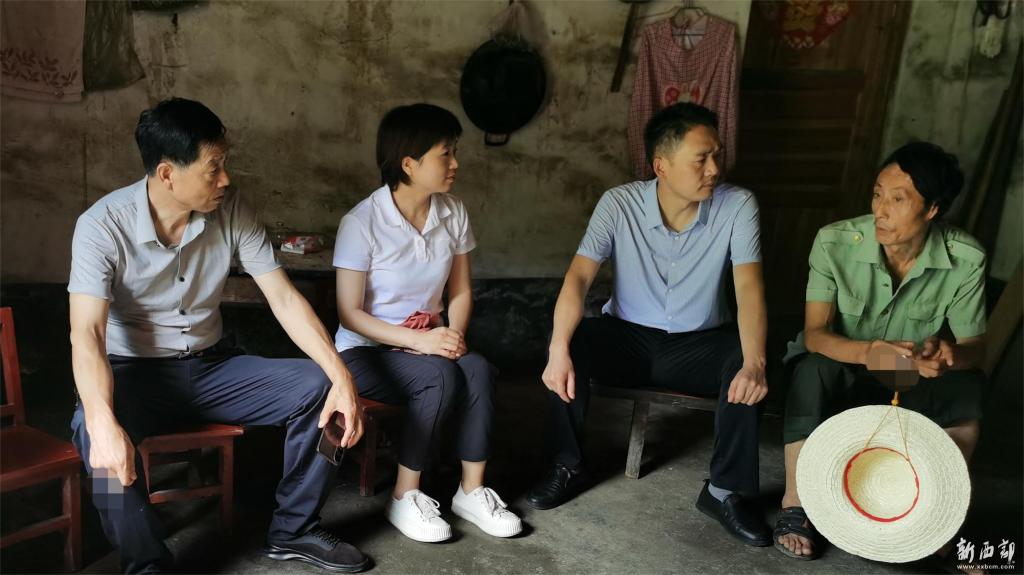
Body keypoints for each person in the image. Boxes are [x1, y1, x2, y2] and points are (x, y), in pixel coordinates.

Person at [68, 98, 368, 574]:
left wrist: (342, 376)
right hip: (134, 377)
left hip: (212, 368)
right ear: (168, 174)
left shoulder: (232, 209)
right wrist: (103, 422)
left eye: (225, 163)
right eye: (213, 168)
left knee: (319, 387)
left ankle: (294, 530)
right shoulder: (101, 226)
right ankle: (145, 564)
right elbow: (86, 333)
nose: (225, 179)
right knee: (93, 434)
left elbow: (284, 298)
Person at [526, 102, 772, 547]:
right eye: (701, 158)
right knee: (570, 343)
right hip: (628, 340)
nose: (714, 169)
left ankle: (725, 492)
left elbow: (749, 288)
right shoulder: (618, 203)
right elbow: (578, 277)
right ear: (661, 165)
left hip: (699, 346)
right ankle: (566, 465)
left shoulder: (738, 205)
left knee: (744, 359)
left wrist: (755, 362)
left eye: (717, 155)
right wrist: (558, 348)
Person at [774, 141, 987, 561]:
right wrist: (868, 351)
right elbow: (815, 334)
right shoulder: (835, 242)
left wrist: (945, 356)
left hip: (908, 373)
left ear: (932, 209)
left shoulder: (966, 258)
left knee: (968, 387)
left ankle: (941, 518)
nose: (880, 210)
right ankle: (795, 504)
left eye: (897, 199)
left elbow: (974, 349)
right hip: (847, 364)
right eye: (877, 194)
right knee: (812, 368)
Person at [332, 103, 522, 543]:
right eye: (445, 154)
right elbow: (349, 313)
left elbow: (461, 291)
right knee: (437, 376)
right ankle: (404, 495)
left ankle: (471, 490)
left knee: (478, 368)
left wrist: (453, 335)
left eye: (455, 152)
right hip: (366, 353)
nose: (455, 163)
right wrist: (419, 342)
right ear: (409, 164)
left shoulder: (453, 212)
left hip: (429, 343)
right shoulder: (362, 222)